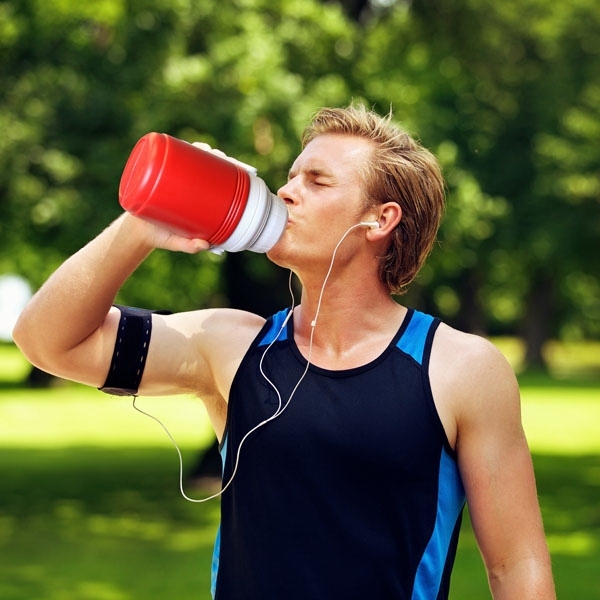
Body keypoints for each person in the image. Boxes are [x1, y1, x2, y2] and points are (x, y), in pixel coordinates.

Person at [13, 104, 555, 599]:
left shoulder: (461, 368)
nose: (287, 191)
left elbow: (518, 567)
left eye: (317, 181)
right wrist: (144, 224)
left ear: (380, 220)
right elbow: (45, 341)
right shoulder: (230, 345)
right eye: (291, 176)